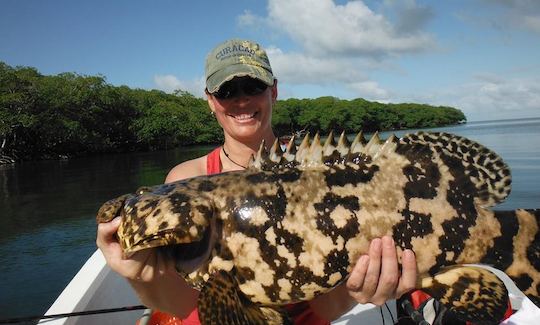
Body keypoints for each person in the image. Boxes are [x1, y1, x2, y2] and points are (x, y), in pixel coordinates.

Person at [96, 38, 418, 324]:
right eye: (227, 91)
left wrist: (358, 290)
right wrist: (141, 277)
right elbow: (185, 306)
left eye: (253, 86)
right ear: (210, 100)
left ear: (273, 91)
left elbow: (325, 309)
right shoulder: (185, 179)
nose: (241, 100)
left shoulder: (317, 172)